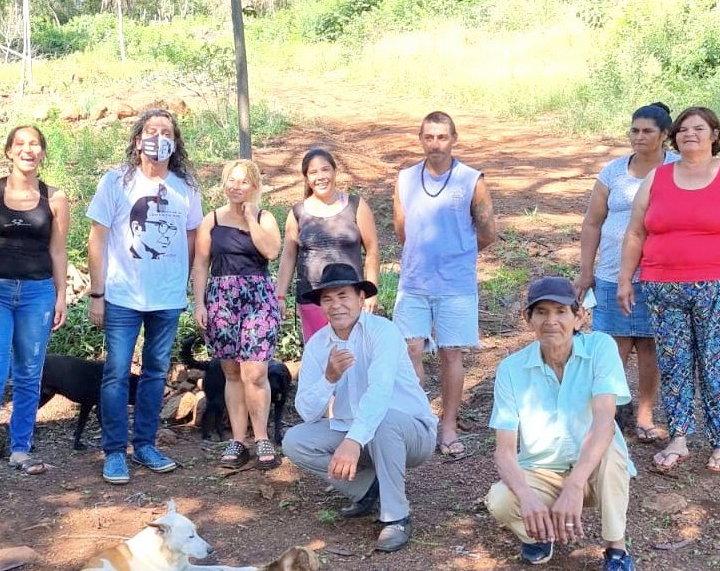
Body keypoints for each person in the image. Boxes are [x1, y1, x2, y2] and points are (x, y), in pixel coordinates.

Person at [619, 107, 720, 474]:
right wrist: (625, 278)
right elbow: (636, 232)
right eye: (683, 129)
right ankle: (679, 437)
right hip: (662, 287)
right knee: (674, 365)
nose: (691, 135)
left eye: (699, 129)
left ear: (714, 135)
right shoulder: (658, 177)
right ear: (674, 137)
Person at [484, 277, 637, 571]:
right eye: (541, 312)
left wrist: (574, 484)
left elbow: (604, 423)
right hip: (542, 470)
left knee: (608, 447)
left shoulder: (601, 348)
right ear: (528, 319)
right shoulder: (511, 369)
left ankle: (617, 553)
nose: (551, 321)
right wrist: (526, 496)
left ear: (579, 316)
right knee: (501, 499)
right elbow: (505, 452)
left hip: (592, 469)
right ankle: (541, 531)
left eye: (560, 311)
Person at [282, 263, 437, 553]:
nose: (336, 305)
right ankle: (366, 489)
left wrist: (353, 440)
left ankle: (396, 517)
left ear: (360, 299)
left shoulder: (383, 332)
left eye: (343, 295)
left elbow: (380, 392)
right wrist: (328, 379)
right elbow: (306, 412)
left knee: (384, 420)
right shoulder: (318, 344)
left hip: (411, 434)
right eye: (327, 299)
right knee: (295, 440)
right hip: (355, 431)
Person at [87, 109, 203, 485]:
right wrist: (97, 292)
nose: (158, 136)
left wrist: (181, 283)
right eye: (151, 131)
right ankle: (115, 452)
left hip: (166, 299)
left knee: (155, 373)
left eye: (166, 131)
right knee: (117, 373)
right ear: (138, 140)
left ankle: (147, 444)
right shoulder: (116, 182)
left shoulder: (186, 188)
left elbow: (192, 238)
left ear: (175, 141)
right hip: (122, 295)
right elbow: (98, 238)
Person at [0, 126, 70, 494]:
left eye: (34, 143)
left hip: (38, 293)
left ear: (43, 152)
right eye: (20, 144)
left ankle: (21, 450)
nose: (28, 149)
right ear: (8, 152)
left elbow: (57, 251)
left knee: (29, 374)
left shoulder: (55, 198)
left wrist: (61, 294)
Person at [574, 103, 681, 443]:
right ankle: (611, 414)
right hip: (609, 273)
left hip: (659, 275)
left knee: (650, 347)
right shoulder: (613, 172)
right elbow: (592, 223)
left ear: (665, 136)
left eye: (648, 131)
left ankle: (645, 415)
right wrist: (586, 271)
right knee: (612, 347)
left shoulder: (678, 169)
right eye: (634, 130)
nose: (639, 137)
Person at [392, 111, 497, 457]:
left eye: (442, 137)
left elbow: (487, 231)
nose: (435, 144)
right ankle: (416, 420)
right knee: (409, 350)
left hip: (455, 285)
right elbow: (401, 229)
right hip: (414, 281)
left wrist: (458, 251)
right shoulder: (406, 179)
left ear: (454, 139)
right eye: (429, 137)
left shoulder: (471, 180)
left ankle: (448, 426)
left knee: (451, 354)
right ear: (420, 139)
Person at [192, 160, 284, 470]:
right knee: (231, 372)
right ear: (223, 184)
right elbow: (201, 263)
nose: (236, 186)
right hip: (221, 298)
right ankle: (238, 440)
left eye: (244, 181)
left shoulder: (265, 217)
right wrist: (200, 303)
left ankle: (261, 438)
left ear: (255, 187)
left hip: (257, 297)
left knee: (255, 372)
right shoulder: (212, 220)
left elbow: (271, 251)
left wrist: (250, 219)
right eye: (232, 180)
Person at [275, 148, 379, 341]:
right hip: (312, 297)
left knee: (354, 355)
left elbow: (372, 249)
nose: (320, 177)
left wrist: (371, 291)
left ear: (334, 171)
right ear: (306, 178)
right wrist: (279, 296)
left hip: (350, 297)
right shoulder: (298, 212)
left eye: (325, 170)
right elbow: (289, 256)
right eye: (313, 172)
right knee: (320, 355)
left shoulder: (356, 205)